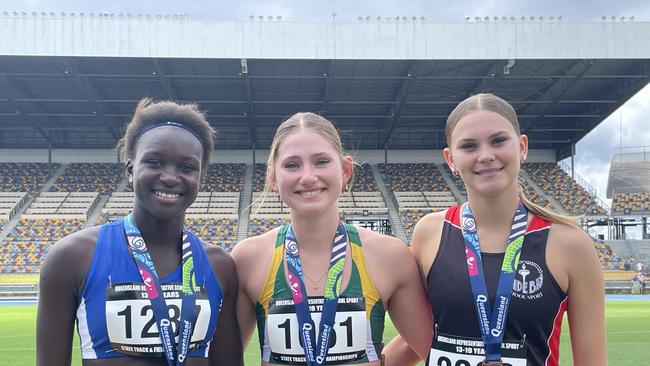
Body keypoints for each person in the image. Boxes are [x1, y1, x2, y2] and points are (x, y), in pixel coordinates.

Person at [393, 93, 606, 365]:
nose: (486, 155)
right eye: (469, 146)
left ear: (522, 147)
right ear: (451, 160)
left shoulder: (570, 244)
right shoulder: (430, 232)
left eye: (498, 140)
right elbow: (422, 334)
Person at [37, 98, 243, 365]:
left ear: (200, 178)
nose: (170, 176)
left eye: (187, 167)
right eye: (155, 162)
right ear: (131, 169)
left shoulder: (219, 265)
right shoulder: (72, 257)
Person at [231, 112, 432, 365]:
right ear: (273, 177)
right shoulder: (247, 258)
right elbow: (224, 357)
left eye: (321, 161)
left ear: (345, 170)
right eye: (292, 165)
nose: (307, 176)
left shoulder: (390, 255)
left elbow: (426, 347)